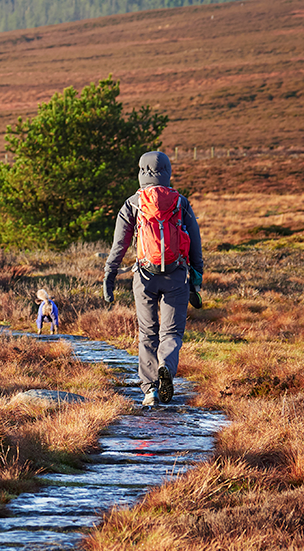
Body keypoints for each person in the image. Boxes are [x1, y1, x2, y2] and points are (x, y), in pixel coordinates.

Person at [103, 151, 203, 407]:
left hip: (145, 276)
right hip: (177, 275)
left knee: (147, 333)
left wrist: (109, 275)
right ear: (168, 171)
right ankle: (166, 367)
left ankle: (150, 391)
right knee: (171, 333)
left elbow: (119, 245)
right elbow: (195, 244)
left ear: (141, 171)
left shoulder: (132, 204)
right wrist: (196, 277)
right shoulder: (181, 203)